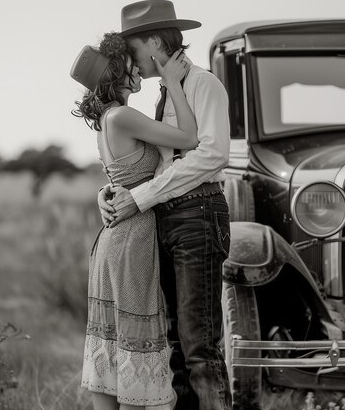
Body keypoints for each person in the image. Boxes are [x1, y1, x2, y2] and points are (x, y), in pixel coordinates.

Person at [97, 0, 232, 410]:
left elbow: (211, 154)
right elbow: (153, 163)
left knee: (199, 347)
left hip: (198, 215)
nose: (131, 61)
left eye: (132, 48)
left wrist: (138, 198)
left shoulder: (203, 84)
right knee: (174, 345)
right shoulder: (162, 94)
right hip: (165, 220)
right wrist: (110, 191)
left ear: (154, 40)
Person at [71, 32, 197, 410]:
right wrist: (173, 83)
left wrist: (102, 194)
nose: (136, 68)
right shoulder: (123, 116)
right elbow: (189, 138)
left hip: (113, 240)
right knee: (132, 351)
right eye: (129, 63)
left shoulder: (107, 120)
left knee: (112, 349)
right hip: (132, 241)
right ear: (115, 72)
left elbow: (119, 180)